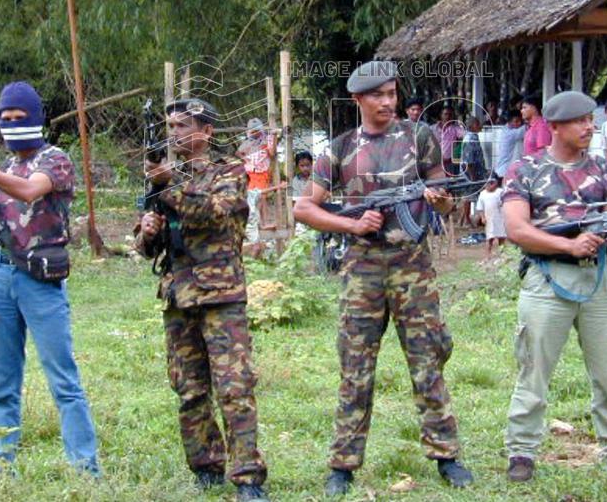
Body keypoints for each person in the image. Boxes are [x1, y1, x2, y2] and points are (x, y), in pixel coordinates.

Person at [294, 60, 473, 497]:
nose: (388, 102)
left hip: (414, 266)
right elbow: (305, 208)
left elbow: (445, 198)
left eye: (392, 94)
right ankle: (343, 465)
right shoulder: (339, 149)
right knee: (355, 367)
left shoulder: (421, 137)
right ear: (358, 99)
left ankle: (447, 456)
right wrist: (352, 225)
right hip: (362, 268)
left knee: (428, 359)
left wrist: (440, 200)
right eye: (379, 95)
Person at [0, 81, 99, 479]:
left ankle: (85, 469)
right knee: (2, 384)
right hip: (0, 278)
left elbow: (31, 192)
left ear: (36, 117)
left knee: (63, 380)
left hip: (40, 281)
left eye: (19, 117)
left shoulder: (55, 159)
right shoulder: (5, 168)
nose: (12, 124)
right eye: (5, 118)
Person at [502, 91, 607, 482]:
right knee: (534, 368)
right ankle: (522, 451)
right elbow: (517, 229)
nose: (589, 127)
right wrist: (568, 243)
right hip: (548, 278)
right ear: (554, 126)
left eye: (591, 119)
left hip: (601, 277)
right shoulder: (525, 170)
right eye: (579, 121)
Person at [137, 98, 269, 501]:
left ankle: (247, 476)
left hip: (221, 296)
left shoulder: (228, 171)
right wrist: (146, 230)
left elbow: (213, 214)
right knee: (190, 388)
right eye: (170, 126)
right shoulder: (163, 177)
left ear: (206, 131)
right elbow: (148, 247)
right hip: (178, 296)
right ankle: (205, 467)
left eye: (182, 125)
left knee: (234, 387)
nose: (174, 132)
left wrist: (168, 186)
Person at [237, 118, 279, 250]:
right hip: (250, 173)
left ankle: (264, 223)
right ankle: (258, 224)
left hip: (261, 173)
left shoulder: (265, 141)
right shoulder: (248, 142)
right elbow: (238, 152)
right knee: (252, 199)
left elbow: (272, 153)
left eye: (256, 131)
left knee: (262, 197)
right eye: (252, 131)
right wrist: (244, 159)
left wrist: (274, 136)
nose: (254, 134)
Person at [473, 173, 505, 257]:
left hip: (500, 218)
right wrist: (482, 217)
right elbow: (480, 208)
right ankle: (488, 255)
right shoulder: (483, 194)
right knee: (490, 238)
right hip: (489, 218)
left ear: (496, 183)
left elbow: (504, 204)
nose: (489, 185)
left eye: (491, 183)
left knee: (501, 237)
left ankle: (502, 254)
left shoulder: (500, 192)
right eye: (487, 183)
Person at [433, 105, 464, 175]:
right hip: (436, 164)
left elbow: (466, 135)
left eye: (450, 115)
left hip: (449, 163)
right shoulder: (433, 128)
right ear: (441, 115)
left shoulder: (455, 129)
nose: (448, 116)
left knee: (451, 183)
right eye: (445, 114)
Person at [494, 113, 526, 177]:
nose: (519, 123)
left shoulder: (506, 129)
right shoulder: (510, 134)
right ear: (509, 122)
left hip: (502, 169)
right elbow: (526, 127)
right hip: (504, 171)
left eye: (520, 121)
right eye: (516, 121)